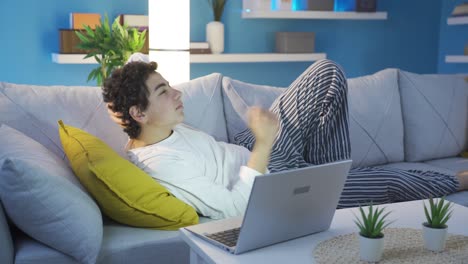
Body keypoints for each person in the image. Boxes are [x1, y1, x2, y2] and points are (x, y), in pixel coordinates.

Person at [102, 59, 468, 220]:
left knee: (327, 75)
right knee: (388, 181)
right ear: (139, 113)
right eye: (165, 90)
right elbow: (235, 208)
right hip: (265, 182)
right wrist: (263, 143)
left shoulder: (154, 128)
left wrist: (255, 141)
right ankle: (453, 181)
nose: (177, 92)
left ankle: (325, 181)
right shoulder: (161, 164)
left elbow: (133, 73)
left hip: (248, 154)